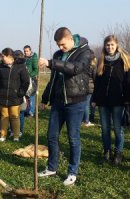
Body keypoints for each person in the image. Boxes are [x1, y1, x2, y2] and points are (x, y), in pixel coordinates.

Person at [38, 27, 91, 186]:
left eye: (62, 45)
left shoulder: (84, 52)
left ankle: (72, 172)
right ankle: (52, 167)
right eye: (58, 45)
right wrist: (45, 98)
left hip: (76, 102)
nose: (61, 48)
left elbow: (75, 68)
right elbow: (53, 80)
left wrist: (51, 63)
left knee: (73, 138)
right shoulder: (58, 55)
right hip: (58, 102)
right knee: (51, 135)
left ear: (69, 39)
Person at [91, 35, 130, 165]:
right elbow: (97, 82)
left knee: (118, 129)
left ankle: (118, 153)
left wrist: (127, 99)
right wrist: (94, 98)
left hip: (118, 101)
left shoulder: (124, 60)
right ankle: (106, 152)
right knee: (105, 129)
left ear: (117, 46)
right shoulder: (102, 60)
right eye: (107, 45)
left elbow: (128, 82)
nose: (110, 47)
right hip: (103, 101)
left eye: (112, 45)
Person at [0, 48, 30, 142]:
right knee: (3, 117)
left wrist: (20, 93)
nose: (2, 58)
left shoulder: (20, 67)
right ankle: (3, 135)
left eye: (3, 56)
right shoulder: (1, 67)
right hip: (3, 97)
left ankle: (16, 136)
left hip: (15, 97)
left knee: (15, 117)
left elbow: (26, 81)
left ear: (9, 56)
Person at [23, 45, 38, 117]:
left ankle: (31, 111)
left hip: (32, 79)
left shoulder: (34, 58)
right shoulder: (24, 58)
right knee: (26, 95)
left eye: (27, 51)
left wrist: (30, 75)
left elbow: (36, 70)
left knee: (31, 95)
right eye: (25, 51)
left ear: (30, 50)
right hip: (25, 79)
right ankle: (27, 110)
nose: (26, 52)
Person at [83, 50, 97, 126]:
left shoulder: (84, 66)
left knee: (86, 103)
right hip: (90, 88)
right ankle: (87, 120)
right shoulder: (93, 67)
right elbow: (95, 78)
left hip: (84, 87)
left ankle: (87, 118)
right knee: (89, 104)